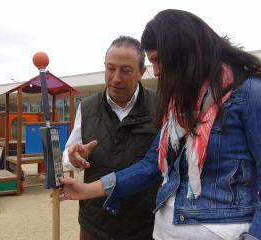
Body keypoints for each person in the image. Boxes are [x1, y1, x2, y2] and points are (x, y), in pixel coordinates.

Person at [57, 9, 261, 240]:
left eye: (158, 60)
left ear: (185, 53)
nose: (157, 71)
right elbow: (151, 164)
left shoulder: (251, 94)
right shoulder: (180, 104)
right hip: (161, 230)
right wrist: (86, 189)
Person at [62, 36, 161, 240]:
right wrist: (74, 159)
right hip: (94, 223)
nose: (116, 78)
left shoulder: (160, 106)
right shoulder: (87, 107)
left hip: (144, 225)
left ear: (142, 72)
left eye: (125, 70)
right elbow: (68, 156)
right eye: (110, 68)